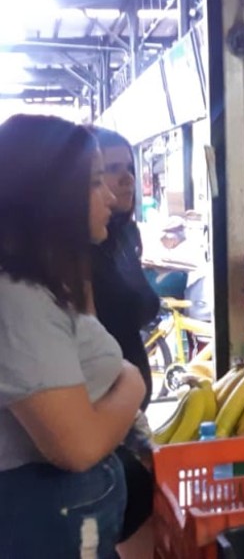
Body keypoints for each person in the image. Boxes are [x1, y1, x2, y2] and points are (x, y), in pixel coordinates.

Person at [0, 115, 146, 558]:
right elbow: (77, 448)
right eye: (95, 182)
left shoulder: (43, 283)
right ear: (49, 194)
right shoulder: (18, 299)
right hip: (45, 523)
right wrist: (133, 381)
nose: (109, 195)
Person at [91, 127, 160, 557]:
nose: (125, 179)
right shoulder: (79, 252)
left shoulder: (122, 239)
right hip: (102, 411)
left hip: (128, 410)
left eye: (129, 168)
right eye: (109, 171)